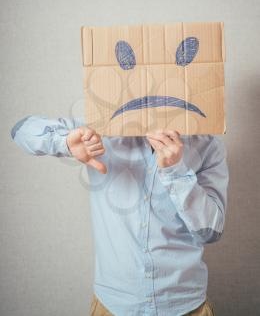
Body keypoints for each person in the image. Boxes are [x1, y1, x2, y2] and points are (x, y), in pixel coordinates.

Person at [10, 115, 229, 316]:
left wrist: (176, 171)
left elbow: (209, 232)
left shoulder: (207, 144)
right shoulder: (98, 127)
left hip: (186, 306)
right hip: (113, 305)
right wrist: (65, 141)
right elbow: (20, 130)